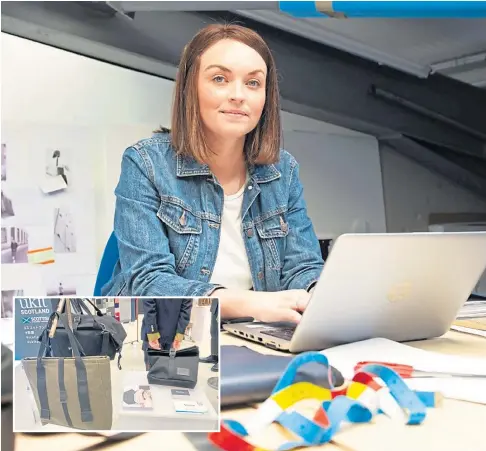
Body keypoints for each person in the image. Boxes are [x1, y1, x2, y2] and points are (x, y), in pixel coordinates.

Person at [101, 24, 324, 324]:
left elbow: (302, 267)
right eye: (220, 79)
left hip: (259, 337)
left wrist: (320, 294)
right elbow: (149, 282)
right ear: (189, 88)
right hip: (169, 339)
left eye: (253, 83)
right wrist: (249, 304)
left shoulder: (283, 170)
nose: (238, 95)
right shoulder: (145, 162)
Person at [141, 298, 193, 370]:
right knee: (163, 371)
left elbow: (149, 307)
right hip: (171, 334)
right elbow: (185, 310)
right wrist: (179, 335)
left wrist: (153, 334)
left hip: (156, 333)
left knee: (155, 371)